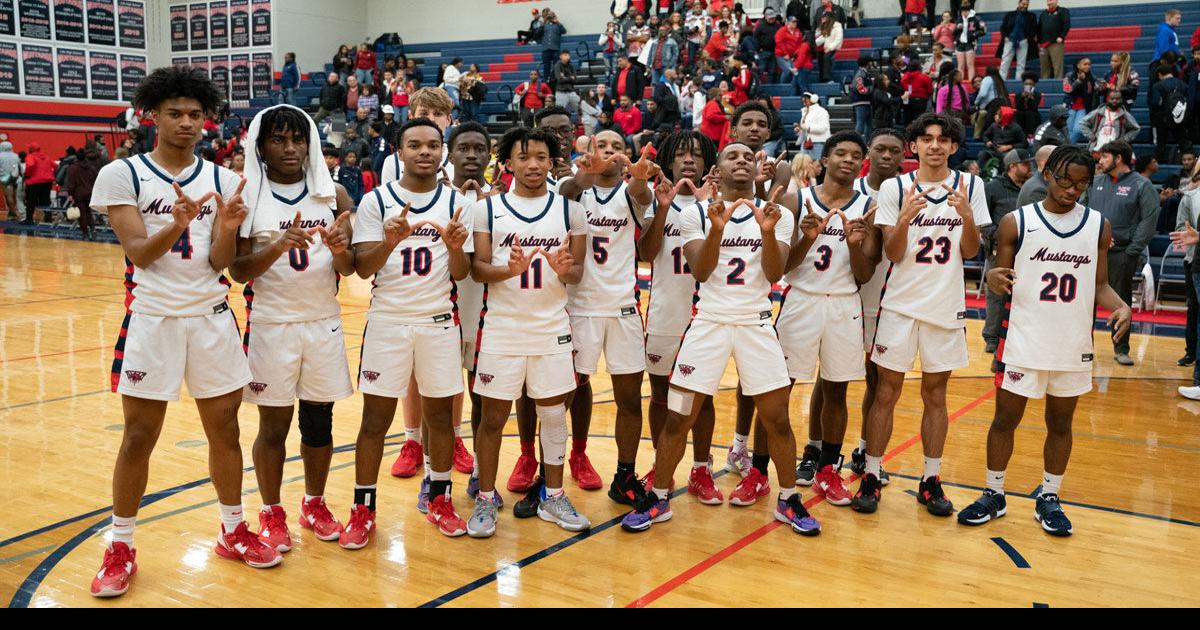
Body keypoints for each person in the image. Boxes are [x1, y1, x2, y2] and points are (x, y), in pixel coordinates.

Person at [87, 66, 276, 598]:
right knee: (138, 437)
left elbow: (221, 262)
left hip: (212, 318)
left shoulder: (224, 179)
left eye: (195, 114)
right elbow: (140, 255)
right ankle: (121, 545)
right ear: (153, 115)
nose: (187, 123)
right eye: (175, 113)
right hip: (152, 320)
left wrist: (228, 227)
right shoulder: (123, 174)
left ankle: (233, 530)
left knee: (226, 431)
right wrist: (176, 221)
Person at [620, 141, 819, 536]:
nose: (741, 161)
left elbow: (775, 273)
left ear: (755, 169)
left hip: (755, 323)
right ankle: (659, 497)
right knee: (678, 416)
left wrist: (766, 232)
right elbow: (701, 270)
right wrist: (716, 229)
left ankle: (788, 499)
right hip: (709, 322)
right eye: (732, 156)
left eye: (747, 157)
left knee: (778, 419)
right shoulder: (695, 213)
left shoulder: (778, 214)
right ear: (718, 169)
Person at [960, 145, 1132, 536]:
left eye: (1081, 184)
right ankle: (994, 493)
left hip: (1072, 343)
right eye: (1066, 180)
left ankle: (1049, 497)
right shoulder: (1016, 222)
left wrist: (1122, 306)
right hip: (1023, 340)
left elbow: (1100, 285)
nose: (1072, 190)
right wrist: (992, 279)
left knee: (1061, 423)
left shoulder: (1098, 226)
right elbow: (999, 276)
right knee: (1005, 420)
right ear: (1048, 175)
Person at [339, 117, 476, 548]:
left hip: (438, 322)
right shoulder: (377, 201)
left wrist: (455, 249)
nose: (425, 152)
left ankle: (439, 499)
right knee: (374, 421)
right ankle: (363, 510)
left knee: (440, 419)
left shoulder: (457, 203)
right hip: (388, 322)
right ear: (400, 152)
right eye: (415, 145)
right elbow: (362, 268)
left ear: (442, 152)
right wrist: (389, 243)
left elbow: (462, 272)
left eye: (433, 145)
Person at [226, 105, 356, 552]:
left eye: (297, 140)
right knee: (274, 425)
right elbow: (238, 270)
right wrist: (278, 246)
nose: (290, 148)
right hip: (271, 324)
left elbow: (350, 267)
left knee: (319, 423)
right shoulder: (248, 196)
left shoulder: (333, 195)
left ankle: (314, 503)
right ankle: (271, 511)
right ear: (261, 147)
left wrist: (339, 249)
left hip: (322, 323)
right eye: (278, 140)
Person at [853, 112, 991, 516]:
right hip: (900, 305)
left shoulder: (971, 186)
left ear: (953, 146)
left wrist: (967, 217)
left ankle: (931, 480)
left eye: (943, 139)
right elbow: (893, 253)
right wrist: (902, 220)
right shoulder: (895, 187)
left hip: (945, 307)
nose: (935, 145)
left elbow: (970, 251)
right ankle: (871, 474)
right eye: (927, 138)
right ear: (913, 146)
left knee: (936, 395)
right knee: (885, 393)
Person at [465, 126, 589, 537]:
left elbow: (577, 274)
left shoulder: (571, 211)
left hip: (551, 327)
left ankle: (553, 496)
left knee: (553, 415)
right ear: (508, 163)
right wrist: (509, 270)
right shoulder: (487, 209)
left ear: (552, 162)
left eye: (541, 157)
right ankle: (486, 498)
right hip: (502, 327)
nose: (533, 164)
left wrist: (564, 269)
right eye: (523, 157)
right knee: (492, 417)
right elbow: (478, 269)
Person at [777, 131, 878, 507]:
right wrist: (807, 238)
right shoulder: (797, 200)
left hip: (844, 304)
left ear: (861, 163)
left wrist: (853, 244)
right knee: (779, 389)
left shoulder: (869, 207)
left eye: (855, 155)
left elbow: (864, 274)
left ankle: (827, 470)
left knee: (836, 391)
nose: (848, 160)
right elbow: (782, 266)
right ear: (824, 159)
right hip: (801, 299)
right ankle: (760, 468)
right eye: (841, 153)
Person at [556, 131, 657, 505]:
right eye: (602, 146)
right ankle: (550, 477)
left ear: (627, 156)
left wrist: (640, 178)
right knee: (561, 398)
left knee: (629, 399)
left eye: (617, 147)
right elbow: (568, 190)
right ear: (587, 152)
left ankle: (624, 476)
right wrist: (586, 171)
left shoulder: (631, 192)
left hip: (623, 309)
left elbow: (642, 196)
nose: (610, 153)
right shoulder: (574, 191)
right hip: (578, 308)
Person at [639, 130, 724, 503]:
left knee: (702, 398)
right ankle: (662, 466)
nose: (689, 160)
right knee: (660, 397)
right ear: (668, 161)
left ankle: (702, 468)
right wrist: (662, 208)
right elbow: (646, 253)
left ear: (707, 163)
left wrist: (710, 208)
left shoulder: (719, 203)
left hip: (707, 314)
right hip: (665, 313)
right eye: (681, 154)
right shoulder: (654, 199)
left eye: (696, 154)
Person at [840, 128, 907, 484]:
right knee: (832, 379)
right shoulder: (852, 192)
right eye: (880, 149)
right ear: (869, 152)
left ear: (903, 155)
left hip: (891, 296)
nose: (887, 156)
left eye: (894, 151)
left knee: (877, 380)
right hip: (851, 293)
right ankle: (819, 451)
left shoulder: (909, 193)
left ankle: (867, 452)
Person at [1086, 140, 1158, 366]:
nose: (1100, 161)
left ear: (1119, 158)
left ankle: (1121, 348)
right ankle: (1084, 347)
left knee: (1120, 301)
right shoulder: (1095, 181)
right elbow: (1081, 211)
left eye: (1105, 156)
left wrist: (1132, 251)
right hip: (1091, 252)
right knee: (1085, 301)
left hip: (1121, 254)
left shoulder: (1142, 185)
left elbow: (1149, 220)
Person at [982, 148, 1035, 353]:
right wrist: (1000, 236)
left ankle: (1017, 336)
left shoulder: (1031, 187)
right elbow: (983, 219)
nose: (1029, 167)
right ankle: (992, 337)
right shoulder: (993, 187)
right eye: (1025, 164)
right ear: (1012, 166)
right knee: (997, 295)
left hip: (1027, 251)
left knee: (1025, 294)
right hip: (999, 250)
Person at [381, 87, 456, 185]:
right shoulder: (393, 163)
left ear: (448, 120)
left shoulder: (458, 161)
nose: (431, 119)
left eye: (438, 114)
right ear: (411, 117)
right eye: (424, 114)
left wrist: (452, 192)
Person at [1173, 160, 1200, 372]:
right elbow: (1181, 227)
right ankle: (1191, 351)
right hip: (1194, 260)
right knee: (1194, 308)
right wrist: (1189, 234)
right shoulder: (1190, 197)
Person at [1150, 63, 1192, 164]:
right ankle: (1189, 162)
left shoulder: (1157, 85)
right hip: (1179, 116)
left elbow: (1156, 102)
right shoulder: (1182, 84)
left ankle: (1160, 166)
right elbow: (1189, 101)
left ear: (1160, 74)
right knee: (1183, 142)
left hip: (1162, 118)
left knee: (1161, 144)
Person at [1079, 88, 1141, 154]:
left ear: (1121, 100)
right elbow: (1083, 123)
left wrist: (1123, 140)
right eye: (1112, 99)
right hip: (1097, 149)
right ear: (1107, 99)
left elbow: (1136, 129)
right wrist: (1091, 136)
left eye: (1117, 99)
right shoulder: (1099, 112)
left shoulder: (1124, 114)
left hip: (1115, 150)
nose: (1114, 101)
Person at [65, 141, 104, 240]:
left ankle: (85, 233)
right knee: (88, 212)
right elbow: (97, 179)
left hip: (79, 194)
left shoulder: (72, 168)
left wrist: (70, 194)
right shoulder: (91, 168)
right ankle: (92, 229)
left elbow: (71, 183)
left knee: (82, 214)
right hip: (90, 193)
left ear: (77, 157)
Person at [978, 106, 1029, 170]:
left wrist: (1009, 146)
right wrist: (987, 141)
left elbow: (1025, 143)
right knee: (982, 154)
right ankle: (983, 173)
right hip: (994, 150)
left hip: (1008, 152)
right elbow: (985, 135)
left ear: (1004, 117)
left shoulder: (1016, 128)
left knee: (1006, 158)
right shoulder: (994, 125)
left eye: (997, 115)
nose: (995, 116)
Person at [997, 0, 1036, 80]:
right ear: (1019, 3)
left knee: (1021, 64)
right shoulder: (1010, 14)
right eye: (1023, 4)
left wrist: (1027, 39)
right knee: (1005, 62)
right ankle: (1001, 80)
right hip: (1009, 40)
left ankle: (1018, 81)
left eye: (1027, 5)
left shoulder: (1031, 16)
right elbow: (1002, 27)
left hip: (1023, 41)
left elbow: (1034, 29)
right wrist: (1005, 37)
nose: (1025, 6)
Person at [1063, 57, 1098, 144]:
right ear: (1078, 65)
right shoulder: (1069, 76)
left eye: (1089, 64)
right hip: (1070, 106)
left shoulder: (1092, 78)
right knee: (1068, 131)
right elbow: (1068, 90)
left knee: (1078, 130)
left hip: (1083, 107)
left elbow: (1093, 93)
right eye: (1085, 64)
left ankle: (1066, 147)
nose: (1088, 66)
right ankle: (1068, 149)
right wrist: (1078, 80)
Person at [952, 1, 987, 82]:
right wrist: (957, 28)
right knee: (960, 65)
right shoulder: (959, 19)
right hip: (960, 43)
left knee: (970, 65)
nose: (964, 13)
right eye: (963, 11)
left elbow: (983, 30)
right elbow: (953, 33)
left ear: (969, 10)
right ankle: (959, 83)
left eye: (966, 11)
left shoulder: (976, 19)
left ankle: (972, 83)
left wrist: (974, 34)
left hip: (970, 43)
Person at [1037, 0, 1071, 80]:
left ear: (1056, 1)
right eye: (1048, 1)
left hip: (1056, 43)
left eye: (1051, 0)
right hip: (1043, 44)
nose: (1049, 2)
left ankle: (1058, 83)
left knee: (1057, 66)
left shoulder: (1063, 11)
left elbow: (1067, 24)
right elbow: (1039, 27)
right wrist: (1038, 41)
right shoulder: (1043, 13)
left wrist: (1062, 36)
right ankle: (1045, 83)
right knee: (1044, 66)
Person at [21, 143, 53, 224]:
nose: (28, 149)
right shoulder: (47, 157)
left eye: (29, 148)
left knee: (30, 201)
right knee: (46, 200)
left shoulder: (30, 156)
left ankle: (29, 219)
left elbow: (30, 165)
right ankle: (48, 218)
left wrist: (27, 174)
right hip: (47, 182)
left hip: (34, 182)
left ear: (31, 149)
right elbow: (55, 166)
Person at [796, 92, 830, 159]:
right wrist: (799, 130)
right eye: (803, 100)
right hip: (805, 142)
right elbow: (804, 128)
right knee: (803, 163)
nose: (804, 101)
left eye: (806, 99)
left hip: (818, 142)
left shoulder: (822, 111)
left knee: (816, 163)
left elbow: (823, 127)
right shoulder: (804, 111)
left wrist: (808, 128)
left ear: (813, 99)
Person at [814, 14, 842, 84]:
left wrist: (830, 48)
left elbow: (838, 40)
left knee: (826, 57)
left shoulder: (838, 27)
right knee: (819, 56)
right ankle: (822, 78)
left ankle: (827, 78)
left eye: (825, 18)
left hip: (834, 48)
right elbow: (823, 37)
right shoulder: (827, 26)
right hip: (826, 47)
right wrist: (813, 44)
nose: (823, 19)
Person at [552, 51, 580, 121]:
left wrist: (565, 77)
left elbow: (575, 80)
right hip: (560, 92)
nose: (567, 57)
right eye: (565, 55)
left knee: (581, 107)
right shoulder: (557, 65)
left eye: (568, 55)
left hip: (571, 91)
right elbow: (559, 79)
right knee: (559, 112)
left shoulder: (571, 66)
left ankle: (581, 122)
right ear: (560, 56)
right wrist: (570, 78)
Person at [1, 140, 21, 220]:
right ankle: (12, 212)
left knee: (8, 196)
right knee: (14, 195)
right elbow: (19, 167)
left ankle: (13, 213)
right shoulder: (16, 155)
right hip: (16, 177)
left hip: (5, 178)